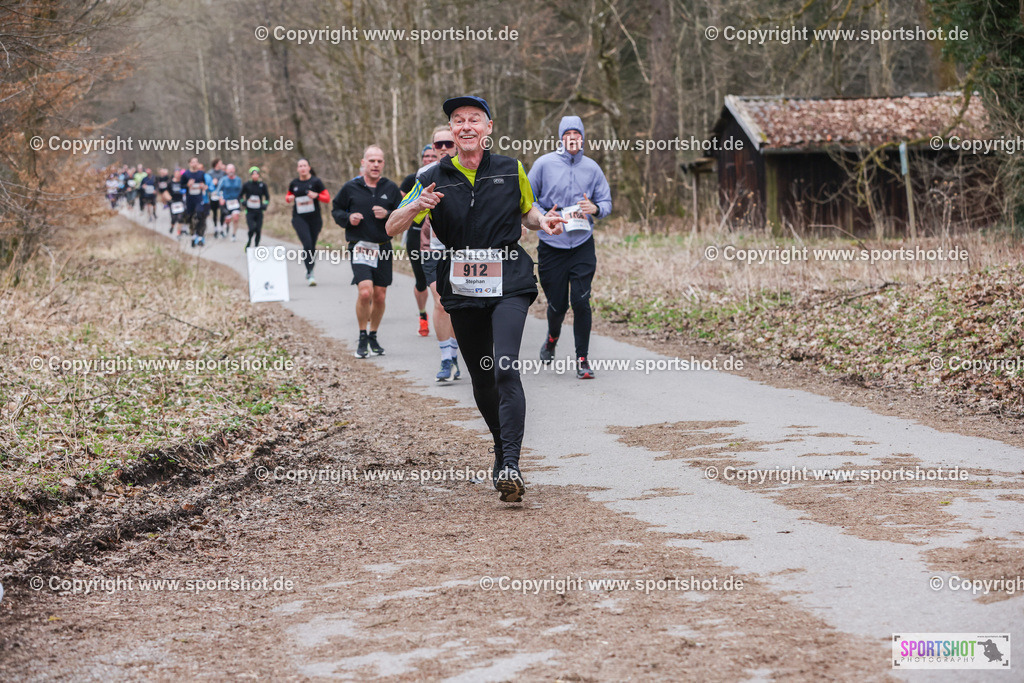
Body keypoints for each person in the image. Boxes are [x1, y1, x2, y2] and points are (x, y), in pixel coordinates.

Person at [386, 96, 565, 503]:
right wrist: (417, 203)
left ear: (487, 128)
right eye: (457, 121)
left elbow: (527, 211)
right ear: (450, 131)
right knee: (483, 380)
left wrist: (544, 222)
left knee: (504, 367)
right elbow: (391, 226)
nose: (466, 126)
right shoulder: (432, 175)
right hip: (462, 287)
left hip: (509, 279)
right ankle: (502, 453)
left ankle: (512, 463)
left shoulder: (510, 168)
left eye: (474, 120)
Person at [528, 115, 613, 380]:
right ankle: (552, 338)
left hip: (582, 243)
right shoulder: (544, 164)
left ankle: (583, 360)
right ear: (561, 138)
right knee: (557, 305)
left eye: (577, 134)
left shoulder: (592, 168)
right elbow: (526, 199)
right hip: (552, 245)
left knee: (581, 301)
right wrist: (544, 214)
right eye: (568, 134)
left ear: (583, 138)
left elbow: (606, 203)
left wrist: (595, 208)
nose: (573, 138)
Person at [331, 145, 400, 358]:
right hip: (360, 247)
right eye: (372, 161)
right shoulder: (351, 187)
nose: (376, 165)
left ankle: (373, 335)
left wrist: (388, 213)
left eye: (379, 161)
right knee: (365, 292)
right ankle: (362, 335)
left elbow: (402, 214)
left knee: (379, 296)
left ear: (383, 164)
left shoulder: (390, 188)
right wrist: (347, 219)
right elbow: (336, 209)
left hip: (383, 247)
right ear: (363, 163)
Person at [412, 125, 461, 380]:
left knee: (458, 307)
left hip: (464, 252)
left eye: (447, 143)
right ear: (432, 148)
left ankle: (455, 354)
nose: (443, 149)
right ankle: (445, 359)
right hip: (432, 248)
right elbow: (410, 213)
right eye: (437, 145)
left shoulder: (470, 170)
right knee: (441, 302)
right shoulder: (424, 174)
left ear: (456, 143)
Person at [400, 143, 439, 336]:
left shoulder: (445, 176)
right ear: (422, 159)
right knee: (421, 280)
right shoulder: (414, 179)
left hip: (438, 236)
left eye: (434, 156)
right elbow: (401, 207)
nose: (430, 159)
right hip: (416, 235)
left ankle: (444, 317)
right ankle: (423, 315)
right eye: (427, 156)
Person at [285, 158, 330, 285]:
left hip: (315, 218)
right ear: (297, 169)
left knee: (312, 246)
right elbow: (287, 197)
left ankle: (310, 267)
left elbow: (327, 198)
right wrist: (290, 198)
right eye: (300, 166)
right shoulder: (294, 183)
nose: (303, 168)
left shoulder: (316, 182)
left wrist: (317, 196)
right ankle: (310, 271)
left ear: (309, 167)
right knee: (307, 243)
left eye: (305, 165)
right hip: (299, 218)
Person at [180, 156, 212, 247]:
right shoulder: (186, 174)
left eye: (196, 162)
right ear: (189, 164)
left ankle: (200, 237)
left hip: (199, 198)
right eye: (193, 162)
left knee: (199, 215)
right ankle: (193, 237)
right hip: (190, 199)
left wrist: (203, 187)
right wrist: (187, 185)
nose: (195, 164)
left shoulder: (201, 174)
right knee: (190, 218)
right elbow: (181, 188)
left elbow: (205, 186)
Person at [241, 166, 270, 249]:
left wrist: (265, 204)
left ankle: (256, 246)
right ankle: (249, 241)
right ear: (251, 175)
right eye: (253, 174)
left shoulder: (262, 185)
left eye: (256, 174)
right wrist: (243, 202)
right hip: (249, 211)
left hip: (259, 211)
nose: (255, 176)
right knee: (252, 228)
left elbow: (267, 197)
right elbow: (240, 196)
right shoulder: (246, 185)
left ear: (258, 175)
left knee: (258, 230)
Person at [217, 163, 243, 241]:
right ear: (226, 171)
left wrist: (242, 199)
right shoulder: (223, 179)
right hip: (226, 202)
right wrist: (221, 198)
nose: (231, 171)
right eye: (229, 169)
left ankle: (233, 235)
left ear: (234, 170)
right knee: (228, 219)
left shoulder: (238, 179)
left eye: (232, 169)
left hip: (235, 201)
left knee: (235, 218)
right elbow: (218, 190)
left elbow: (241, 190)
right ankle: (224, 228)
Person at [208, 158, 226, 237]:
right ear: (216, 164)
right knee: (214, 212)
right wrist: (212, 183)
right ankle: (215, 228)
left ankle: (221, 228)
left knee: (222, 211)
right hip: (213, 195)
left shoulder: (223, 173)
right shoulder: (210, 173)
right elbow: (207, 183)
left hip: (222, 195)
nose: (221, 164)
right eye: (220, 163)